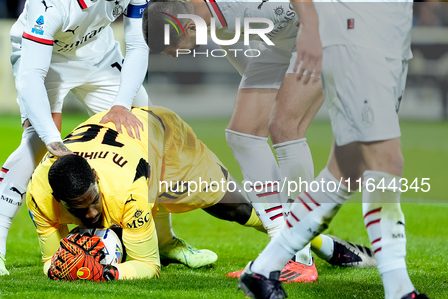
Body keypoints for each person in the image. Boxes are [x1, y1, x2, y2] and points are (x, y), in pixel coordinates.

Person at [0, 0, 211, 275]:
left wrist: (121, 103)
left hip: (98, 54)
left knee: (145, 134)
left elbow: (139, 44)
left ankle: (164, 240)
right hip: (48, 61)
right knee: (37, 143)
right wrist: (55, 142)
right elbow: (31, 77)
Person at [238, 0, 448, 299]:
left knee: (348, 169)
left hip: (395, 40)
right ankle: (400, 291)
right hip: (349, 35)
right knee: (387, 160)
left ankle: (262, 270)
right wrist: (312, 26)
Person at [143, 0, 375, 283]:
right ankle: (282, 244)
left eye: (173, 46)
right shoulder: (189, 5)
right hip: (284, 32)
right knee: (243, 134)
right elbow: (241, 56)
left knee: (285, 127)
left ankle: (300, 258)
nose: (176, 55)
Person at [27, 106, 374, 281]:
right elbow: (50, 260)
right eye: (77, 208)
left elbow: (147, 266)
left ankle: (324, 245)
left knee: (236, 210)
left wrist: (109, 272)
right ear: (58, 199)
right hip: (130, 149)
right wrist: (60, 267)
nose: (87, 214)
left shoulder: (126, 187)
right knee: (113, 225)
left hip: (166, 137)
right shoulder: (39, 192)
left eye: (92, 202)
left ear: (97, 182)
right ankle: (169, 243)